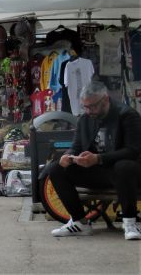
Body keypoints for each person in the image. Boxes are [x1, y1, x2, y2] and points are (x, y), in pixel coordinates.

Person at [47, 81, 141, 240]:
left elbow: (133, 150)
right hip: (96, 172)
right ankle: (79, 222)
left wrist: (98, 159)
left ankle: (130, 222)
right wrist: (69, 156)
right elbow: (76, 146)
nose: (89, 111)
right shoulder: (85, 118)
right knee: (55, 168)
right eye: (85, 107)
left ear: (105, 100)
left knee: (124, 166)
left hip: (124, 174)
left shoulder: (127, 115)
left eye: (93, 106)